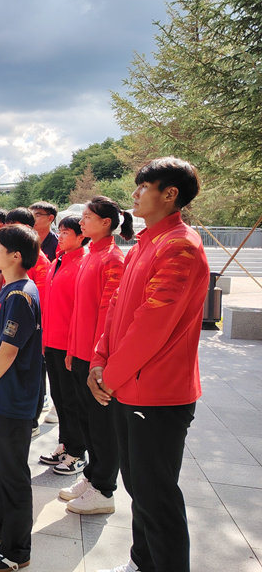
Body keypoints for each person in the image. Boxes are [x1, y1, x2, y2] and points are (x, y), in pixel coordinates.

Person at [91, 158, 208, 572]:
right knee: (139, 488)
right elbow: (115, 310)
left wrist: (109, 376)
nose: (135, 193)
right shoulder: (145, 244)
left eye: (145, 186)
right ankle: (142, 562)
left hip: (157, 393)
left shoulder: (180, 246)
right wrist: (99, 359)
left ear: (170, 194)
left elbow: (151, 326)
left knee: (156, 496)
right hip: (127, 385)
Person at [0, 224, 43, 572]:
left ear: (16, 255)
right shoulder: (9, 289)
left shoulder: (21, 295)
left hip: (12, 398)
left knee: (13, 473)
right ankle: (4, 525)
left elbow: (9, 350)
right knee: (1, 466)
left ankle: (17, 550)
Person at [61, 196, 134, 516]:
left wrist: (97, 359)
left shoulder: (113, 259)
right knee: (86, 420)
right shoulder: (91, 254)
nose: (82, 222)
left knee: (102, 426)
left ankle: (104, 489)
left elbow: (108, 315)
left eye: (87, 217)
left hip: (95, 358)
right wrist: (71, 349)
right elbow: (79, 310)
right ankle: (92, 476)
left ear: (106, 223)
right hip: (79, 353)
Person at [38, 216, 88, 475]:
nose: (60, 236)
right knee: (59, 397)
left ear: (81, 236)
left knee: (72, 400)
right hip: (52, 341)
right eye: (60, 231)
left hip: (69, 344)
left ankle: (77, 452)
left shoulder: (81, 264)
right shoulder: (58, 262)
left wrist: (72, 347)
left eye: (66, 232)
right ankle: (64, 444)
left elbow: (79, 310)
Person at [5, 207, 52, 436]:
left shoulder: (38, 260)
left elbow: (41, 300)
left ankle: (32, 420)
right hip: (14, 319)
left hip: (29, 328)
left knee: (32, 373)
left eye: (12, 226)